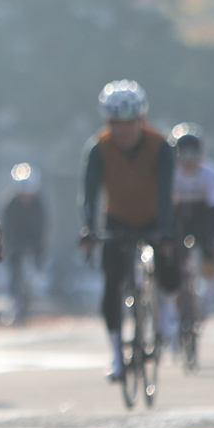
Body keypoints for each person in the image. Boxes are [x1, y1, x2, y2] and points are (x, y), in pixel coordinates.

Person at [80, 80, 182, 380]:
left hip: (156, 216)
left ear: (142, 119)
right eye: (116, 123)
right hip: (118, 218)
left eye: (130, 123)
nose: (123, 130)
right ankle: (116, 354)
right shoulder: (98, 149)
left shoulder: (160, 146)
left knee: (169, 268)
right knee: (111, 283)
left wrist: (164, 229)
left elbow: (165, 190)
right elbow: (89, 195)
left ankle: (167, 311)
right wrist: (89, 229)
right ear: (107, 122)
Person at [169, 124, 214, 320]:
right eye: (183, 155)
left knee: (211, 250)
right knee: (170, 255)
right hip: (178, 217)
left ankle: (208, 298)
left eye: (193, 154)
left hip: (203, 217)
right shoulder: (171, 174)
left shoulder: (210, 174)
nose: (188, 160)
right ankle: (174, 304)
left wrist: (212, 238)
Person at [1, 163, 46, 324]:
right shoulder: (10, 204)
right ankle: (14, 301)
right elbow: (6, 227)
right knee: (14, 270)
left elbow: (42, 227)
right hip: (15, 241)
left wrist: (40, 248)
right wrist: (7, 245)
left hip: (33, 239)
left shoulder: (38, 203)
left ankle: (33, 294)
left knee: (36, 267)